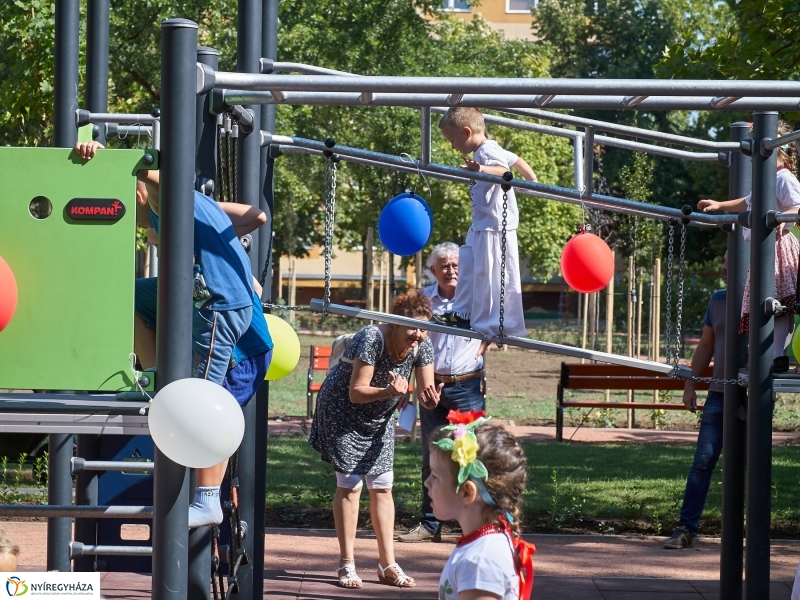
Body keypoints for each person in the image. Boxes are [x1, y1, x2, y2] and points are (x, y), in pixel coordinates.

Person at [74, 141, 263, 528]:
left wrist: (109, 155)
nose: (134, 223)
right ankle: (158, 374)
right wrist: (215, 218)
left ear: (141, 193)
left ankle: (208, 499)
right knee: (124, 296)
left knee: (203, 403)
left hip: (224, 315)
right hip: (209, 303)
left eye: (127, 206)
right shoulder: (189, 208)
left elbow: (160, 177)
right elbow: (255, 218)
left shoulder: (165, 199)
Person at [308, 291, 442, 589]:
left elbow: (425, 392)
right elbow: (356, 392)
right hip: (342, 411)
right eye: (412, 328)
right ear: (394, 324)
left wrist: (430, 400)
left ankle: (387, 564)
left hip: (378, 419)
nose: (418, 335)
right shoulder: (372, 337)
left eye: (423, 328)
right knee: (351, 486)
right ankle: (347, 563)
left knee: (383, 487)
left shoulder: (423, 346)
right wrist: (390, 392)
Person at [398, 242, 486, 543]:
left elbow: (499, 328)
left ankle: (474, 524)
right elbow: (409, 342)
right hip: (429, 385)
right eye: (444, 266)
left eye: (455, 265)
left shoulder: (476, 295)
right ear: (433, 270)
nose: (451, 270)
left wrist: (483, 348)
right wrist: (408, 385)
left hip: (467, 386)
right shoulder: (423, 299)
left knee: (469, 455)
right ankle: (430, 524)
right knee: (432, 456)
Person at [697, 120, 800, 372]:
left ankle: (778, 356)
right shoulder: (766, 181)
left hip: (778, 247)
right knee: (768, 304)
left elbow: (798, 205)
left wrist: (784, 219)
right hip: (763, 249)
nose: (752, 157)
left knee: (780, 304)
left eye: (757, 150)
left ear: (778, 151)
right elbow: (747, 202)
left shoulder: (784, 178)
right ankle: (771, 354)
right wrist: (720, 204)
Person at [434, 107, 536, 339]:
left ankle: (495, 322)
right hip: (481, 224)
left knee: (488, 274)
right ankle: (462, 312)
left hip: (494, 226)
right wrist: (531, 180)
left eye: (452, 140)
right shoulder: (491, 147)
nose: (452, 146)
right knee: (468, 266)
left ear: (467, 131)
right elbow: (517, 159)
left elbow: (503, 170)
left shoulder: (487, 150)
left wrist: (479, 169)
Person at [427, 411, 535, 600]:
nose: (427, 482)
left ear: (467, 492)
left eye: (435, 476)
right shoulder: (480, 548)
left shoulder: (480, 562)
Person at [664, 263, 727, 549]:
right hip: (719, 394)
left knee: (753, 465)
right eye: (723, 259)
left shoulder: (765, 298)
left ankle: (753, 531)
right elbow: (705, 346)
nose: (724, 265)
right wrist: (691, 384)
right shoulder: (719, 299)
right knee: (702, 462)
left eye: (729, 259)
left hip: (753, 395)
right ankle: (686, 528)